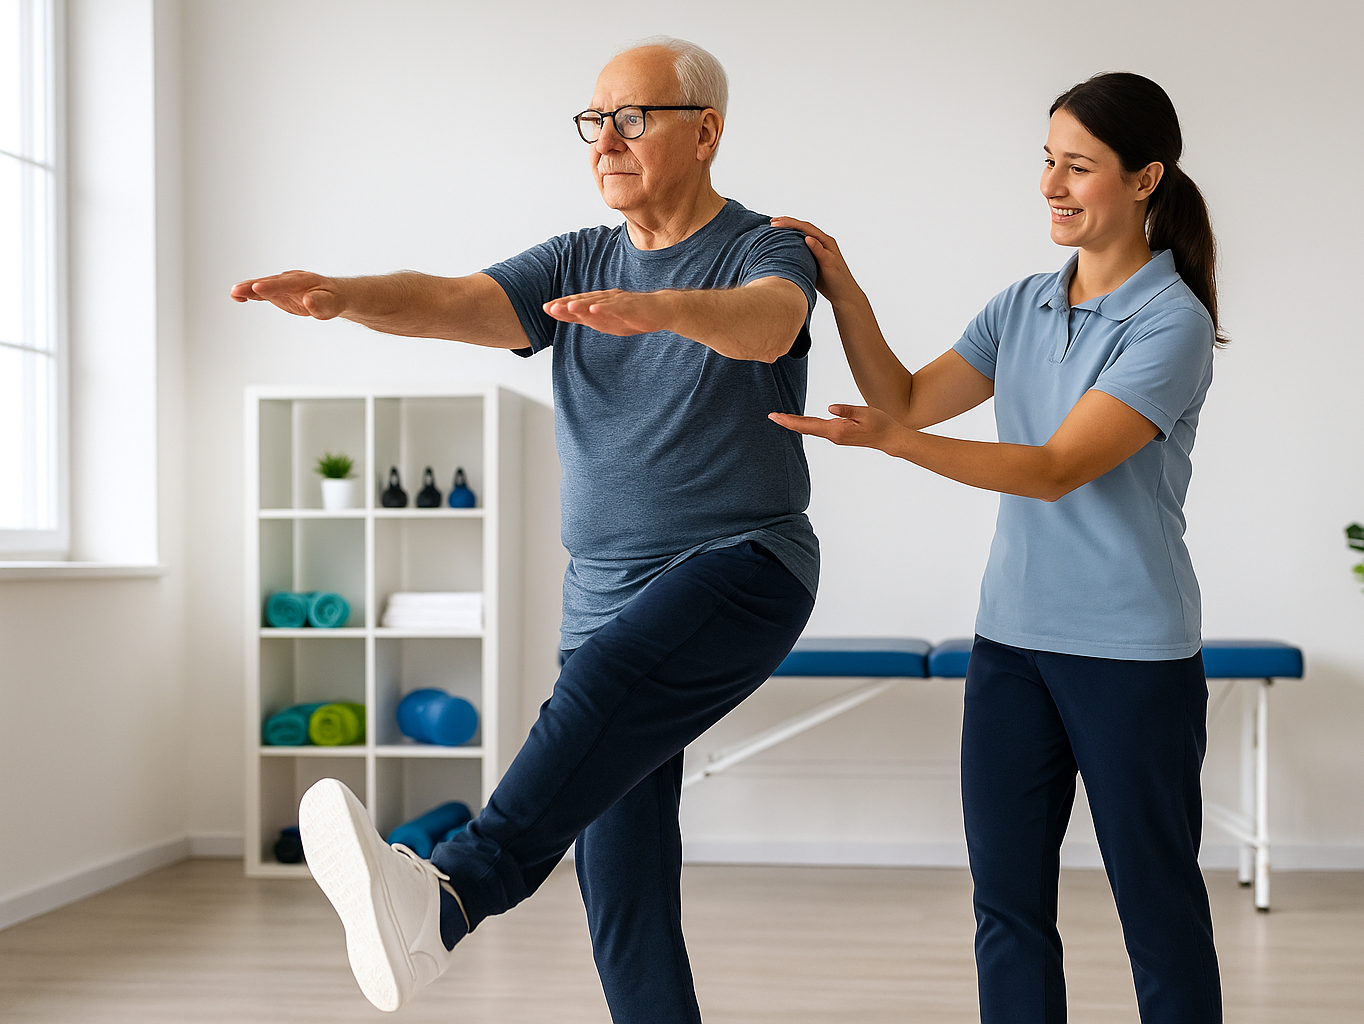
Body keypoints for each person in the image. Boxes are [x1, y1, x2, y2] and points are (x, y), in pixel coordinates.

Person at [231, 37, 819, 1022]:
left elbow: (768, 323)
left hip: (744, 567)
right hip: (601, 598)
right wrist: (347, 297)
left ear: (706, 132)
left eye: (632, 118)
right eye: (594, 121)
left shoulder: (766, 247)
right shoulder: (577, 259)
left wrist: (658, 310)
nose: (605, 141)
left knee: (603, 684)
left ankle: (450, 894)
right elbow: (455, 299)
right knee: (623, 886)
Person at [770, 72, 1224, 1024]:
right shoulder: (1021, 304)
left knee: (1157, 910)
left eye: (1079, 167)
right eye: (1048, 162)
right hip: (1012, 645)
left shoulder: (1170, 321)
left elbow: (1057, 468)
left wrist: (893, 445)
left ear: (1145, 179)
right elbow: (904, 399)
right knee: (1007, 907)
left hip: (1130, 656)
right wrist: (844, 291)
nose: (1052, 186)